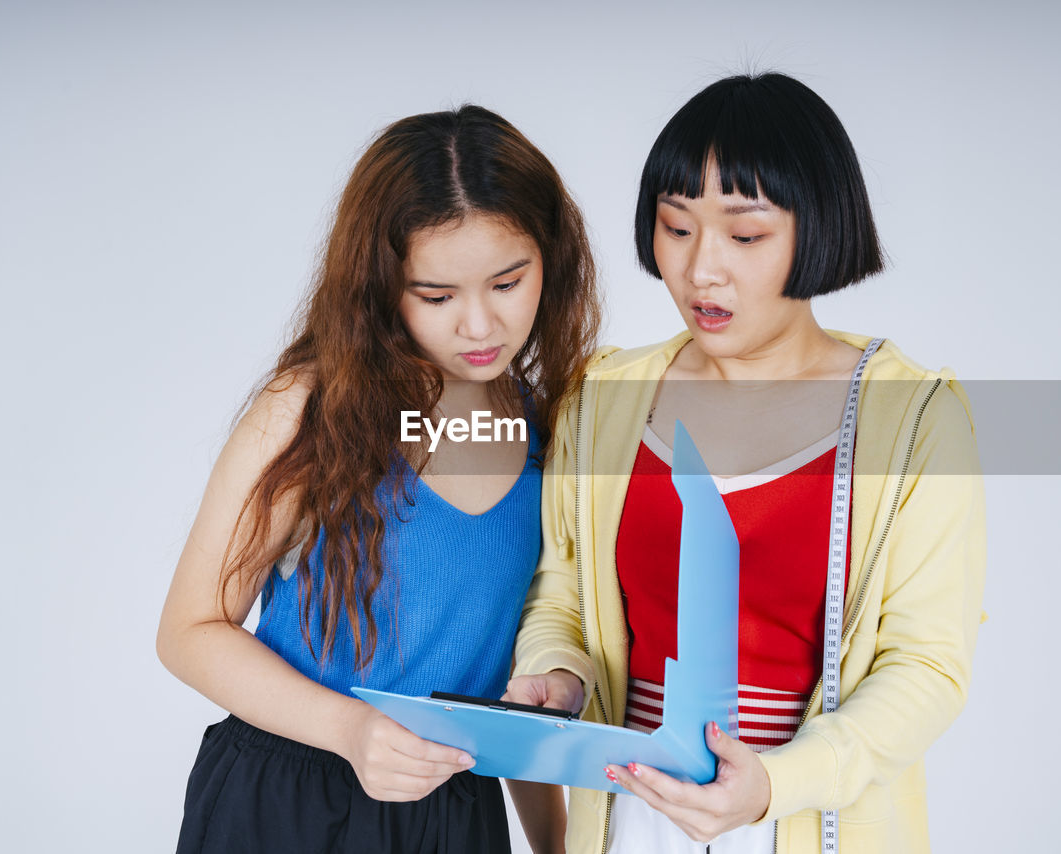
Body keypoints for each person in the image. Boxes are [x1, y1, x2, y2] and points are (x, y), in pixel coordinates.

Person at [505, 73, 986, 854]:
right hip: (634, 817)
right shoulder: (605, 397)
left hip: (809, 815)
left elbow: (927, 667)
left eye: (746, 235)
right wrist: (557, 675)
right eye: (676, 227)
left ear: (819, 227)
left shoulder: (915, 418)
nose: (701, 271)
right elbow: (563, 589)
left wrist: (773, 786)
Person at [157, 104, 599, 854]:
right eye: (437, 296)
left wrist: (554, 845)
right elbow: (189, 631)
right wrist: (353, 731)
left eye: (507, 282)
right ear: (380, 286)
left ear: (549, 262)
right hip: (289, 801)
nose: (481, 326)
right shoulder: (311, 408)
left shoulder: (550, 428)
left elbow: (509, 696)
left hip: (454, 812)